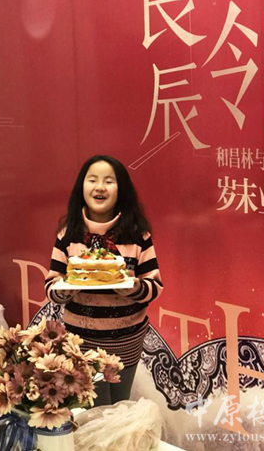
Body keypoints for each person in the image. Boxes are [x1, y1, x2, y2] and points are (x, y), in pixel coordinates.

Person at [45, 154, 163, 406]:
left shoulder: (138, 236)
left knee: (119, 408)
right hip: (82, 342)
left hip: (127, 339)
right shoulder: (68, 235)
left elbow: (155, 286)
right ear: (82, 187)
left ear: (122, 190)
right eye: (92, 180)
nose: (100, 187)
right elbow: (51, 286)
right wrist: (68, 287)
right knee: (91, 409)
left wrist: (132, 287)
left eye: (109, 181)